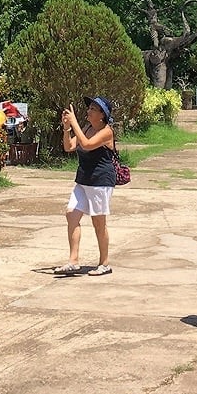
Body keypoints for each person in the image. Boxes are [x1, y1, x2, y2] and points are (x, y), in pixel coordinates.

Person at [56, 97, 117, 277]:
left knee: (98, 222)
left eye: (93, 109)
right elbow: (69, 147)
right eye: (89, 108)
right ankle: (73, 261)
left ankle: (104, 263)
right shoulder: (87, 128)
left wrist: (74, 122)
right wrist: (67, 128)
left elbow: (88, 145)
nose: (88, 111)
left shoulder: (107, 132)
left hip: (100, 181)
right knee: (71, 214)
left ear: (102, 116)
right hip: (83, 179)